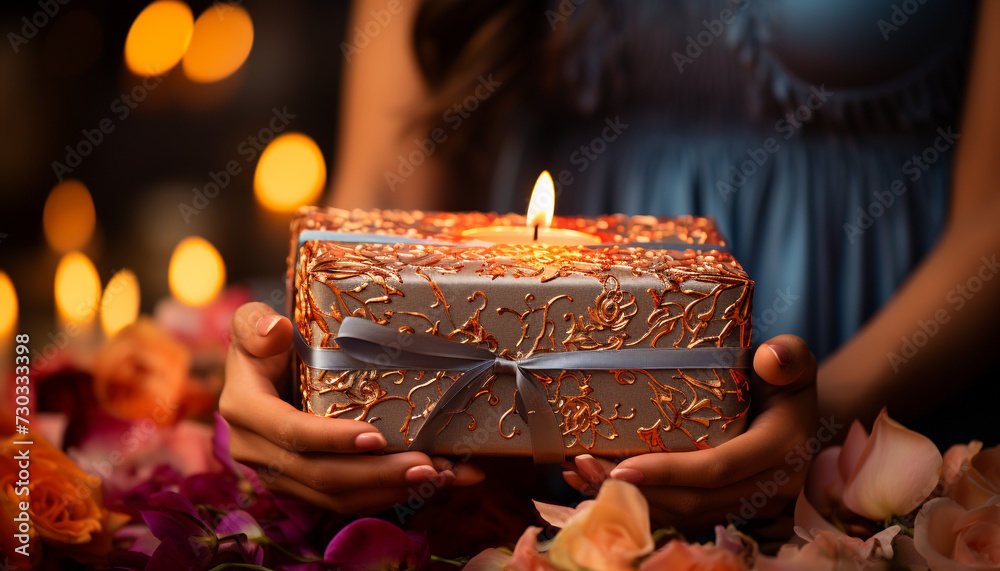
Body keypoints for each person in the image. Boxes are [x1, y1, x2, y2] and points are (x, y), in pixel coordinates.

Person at [222, 0, 1000, 530]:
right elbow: (379, 217)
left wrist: (829, 418)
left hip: (901, 389)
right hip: (504, 460)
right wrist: (312, 362)